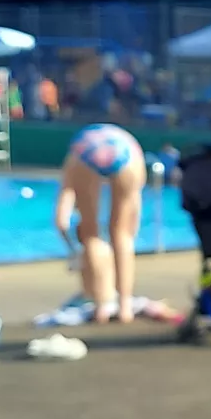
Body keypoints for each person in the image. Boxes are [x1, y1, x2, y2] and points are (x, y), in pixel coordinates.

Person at [54, 121, 148, 323]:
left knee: (91, 234)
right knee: (122, 235)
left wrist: (73, 249)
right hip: (126, 152)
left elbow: (61, 220)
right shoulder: (131, 147)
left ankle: (102, 305)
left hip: (87, 152)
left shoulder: (75, 156)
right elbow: (134, 222)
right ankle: (124, 307)